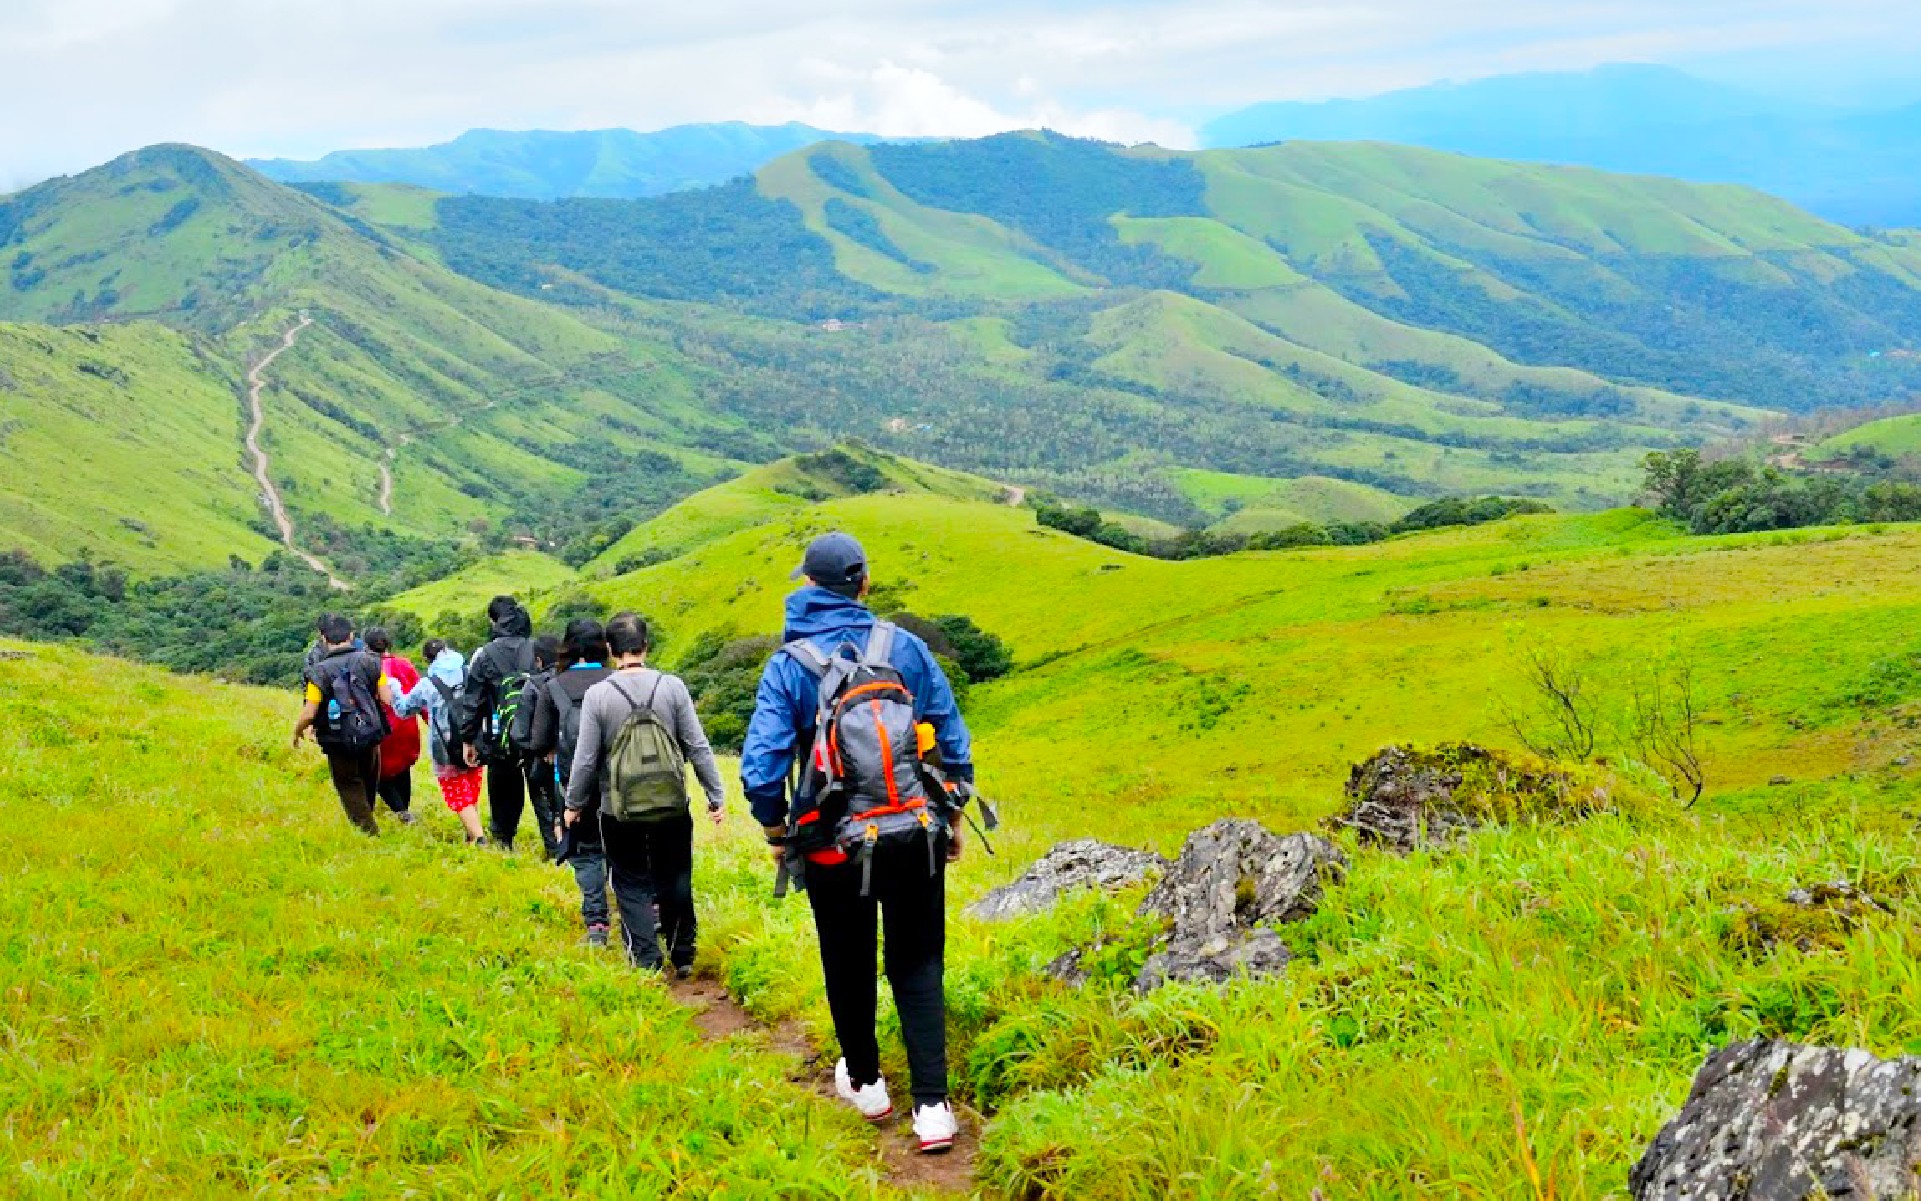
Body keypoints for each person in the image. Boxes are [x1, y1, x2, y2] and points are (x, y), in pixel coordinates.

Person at [740, 532, 973, 1154]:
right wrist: (950, 817)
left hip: (829, 843)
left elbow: (761, 769)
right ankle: (933, 1108)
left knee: (847, 959)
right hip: (912, 832)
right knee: (919, 963)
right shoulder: (906, 648)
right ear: (863, 584)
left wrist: (776, 830)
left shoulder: (790, 664)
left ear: (809, 587)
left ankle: (868, 1084)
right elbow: (951, 739)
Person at [563, 611, 725, 974]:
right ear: (645, 647)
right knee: (676, 875)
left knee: (629, 880)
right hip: (672, 803)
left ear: (610, 649)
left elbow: (586, 759)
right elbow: (697, 746)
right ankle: (683, 954)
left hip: (618, 809)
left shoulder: (598, 696)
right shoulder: (673, 687)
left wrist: (573, 804)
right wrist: (715, 795)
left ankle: (646, 960)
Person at [528, 619, 615, 945]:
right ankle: (649, 912)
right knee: (625, 847)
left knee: (586, 851)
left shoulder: (554, 686)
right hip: (617, 781)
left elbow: (537, 741)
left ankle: (597, 926)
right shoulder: (617, 680)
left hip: (571, 781)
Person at [292, 613, 392, 836]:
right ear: (351, 636)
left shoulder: (317, 672)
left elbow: (310, 712)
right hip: (369, 732)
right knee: (368, 779)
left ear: (323, 639)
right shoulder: (371, 661)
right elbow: (386, 697)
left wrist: (297, 731)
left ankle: (369, 833)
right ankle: (367, 822)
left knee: (348, 784)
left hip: (337, 738)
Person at [457, 596, 541, 852]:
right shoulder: (537, 649)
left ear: (494, 622)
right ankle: (553, 843)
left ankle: (504, 841)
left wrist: (468, 739)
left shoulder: (484, 655)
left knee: (504, 789)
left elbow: (473, 701)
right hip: (537, 732)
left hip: (499, 735)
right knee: (542, 789)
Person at [392, 638, 489, 845]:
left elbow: (403, 709)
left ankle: (480, 838)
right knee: (470, 789)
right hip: (474, 739)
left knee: (457, 794)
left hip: (444, 748)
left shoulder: (428, 684)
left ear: (428, 660)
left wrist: (393, 686)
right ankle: (471, 835)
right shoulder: (469, 671)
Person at [364, 626, 421, 825]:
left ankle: (401, 811)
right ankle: (404, 809)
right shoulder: (404, 665)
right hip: (407, 727)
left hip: (381, 728)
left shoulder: (366, 667)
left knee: (380, 772)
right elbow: (420, 694)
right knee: (403, 767)